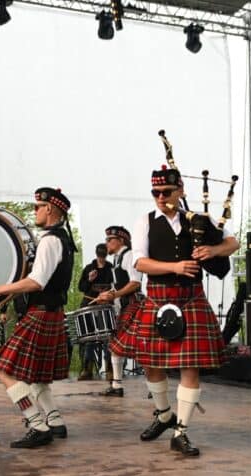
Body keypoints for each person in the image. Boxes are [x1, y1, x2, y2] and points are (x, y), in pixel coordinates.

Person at [129, 166, 239, 457]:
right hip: (158, 299)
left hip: (191, 299)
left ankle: (181, 432)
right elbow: (139, 263)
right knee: (152, 364)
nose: (160, 197)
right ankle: (164, 414)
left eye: (167, 191)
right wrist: (174, 267)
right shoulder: (145, 222)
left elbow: (233, 242)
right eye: (156, 192)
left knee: (190, 366)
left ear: (180, 192)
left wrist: (213, 252)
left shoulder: (199, 220)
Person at [0, 187, 76, 449]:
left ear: (50, 209)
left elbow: (36, 282)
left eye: (37, 207)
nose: (35, 211)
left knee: (3, 369)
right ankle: (54, 422)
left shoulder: (50, 240)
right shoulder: (62, 239)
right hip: (50, 313)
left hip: (41, 313)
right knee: (38, 377)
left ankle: (36, 423)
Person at [97, 225, 142, 397]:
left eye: (110, 240)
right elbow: (120, 285)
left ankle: (156, 383)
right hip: (124, 304)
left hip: (133, 304)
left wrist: (114, 294)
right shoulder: (116, 258)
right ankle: (116, 385)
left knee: (139, 346)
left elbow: (136, 282)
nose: (106, 243)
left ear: (121, 240)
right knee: (115, 344)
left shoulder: (129, 255)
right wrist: (109, 294)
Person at [77, 243, 115, 379]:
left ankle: (110, 369)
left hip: (105, 306)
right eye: (100, 255)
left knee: (107, 338)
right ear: (97, 254)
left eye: (103, 255)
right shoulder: (89, 268)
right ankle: (87, 369)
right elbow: (81, 287)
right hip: (89, 305)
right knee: (89, 338)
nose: (101, 258)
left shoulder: (111, 268)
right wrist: (89, 279)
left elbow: (116, 286)